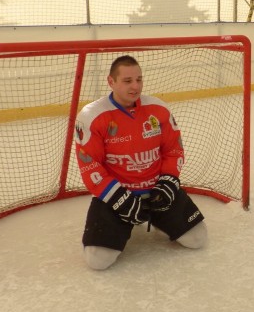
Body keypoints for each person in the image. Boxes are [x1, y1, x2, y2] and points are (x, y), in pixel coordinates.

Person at [74, 55, 207, 270]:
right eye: (127, 81)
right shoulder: (92, 116)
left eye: (139, 79)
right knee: (98, 260)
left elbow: (173, 150)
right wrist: (119, 199)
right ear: (111, 81)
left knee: (197, 239)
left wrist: (168, 183)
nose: (135, 86)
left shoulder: (158, 109)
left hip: (157, 191)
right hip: (118, 194)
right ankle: (124, 220)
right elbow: (91, 166)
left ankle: (158, 218)